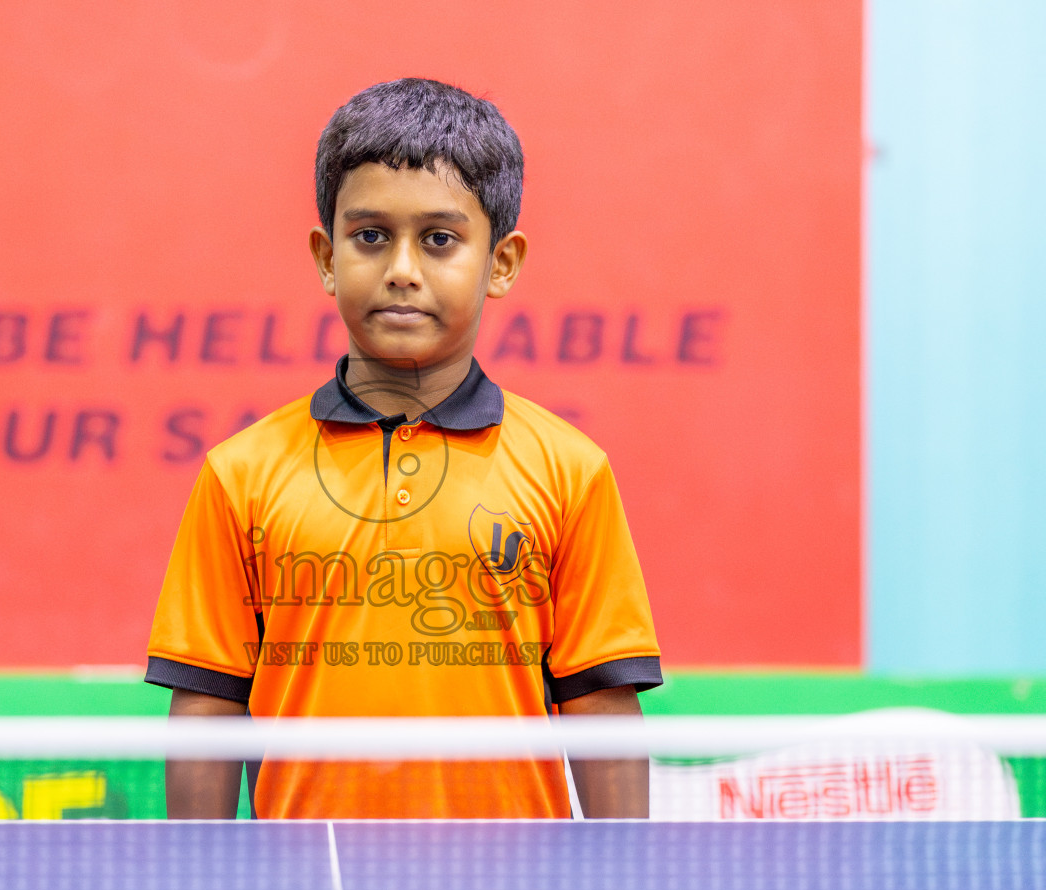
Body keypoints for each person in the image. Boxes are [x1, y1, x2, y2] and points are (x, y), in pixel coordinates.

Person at [146, 78, 662, 819]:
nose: (402, 269)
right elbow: (206, 707)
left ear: (504, 261)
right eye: (370, 237)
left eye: (441, 240)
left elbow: (600, 700)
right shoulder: (242, 473)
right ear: (326, 257)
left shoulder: (570, 470)